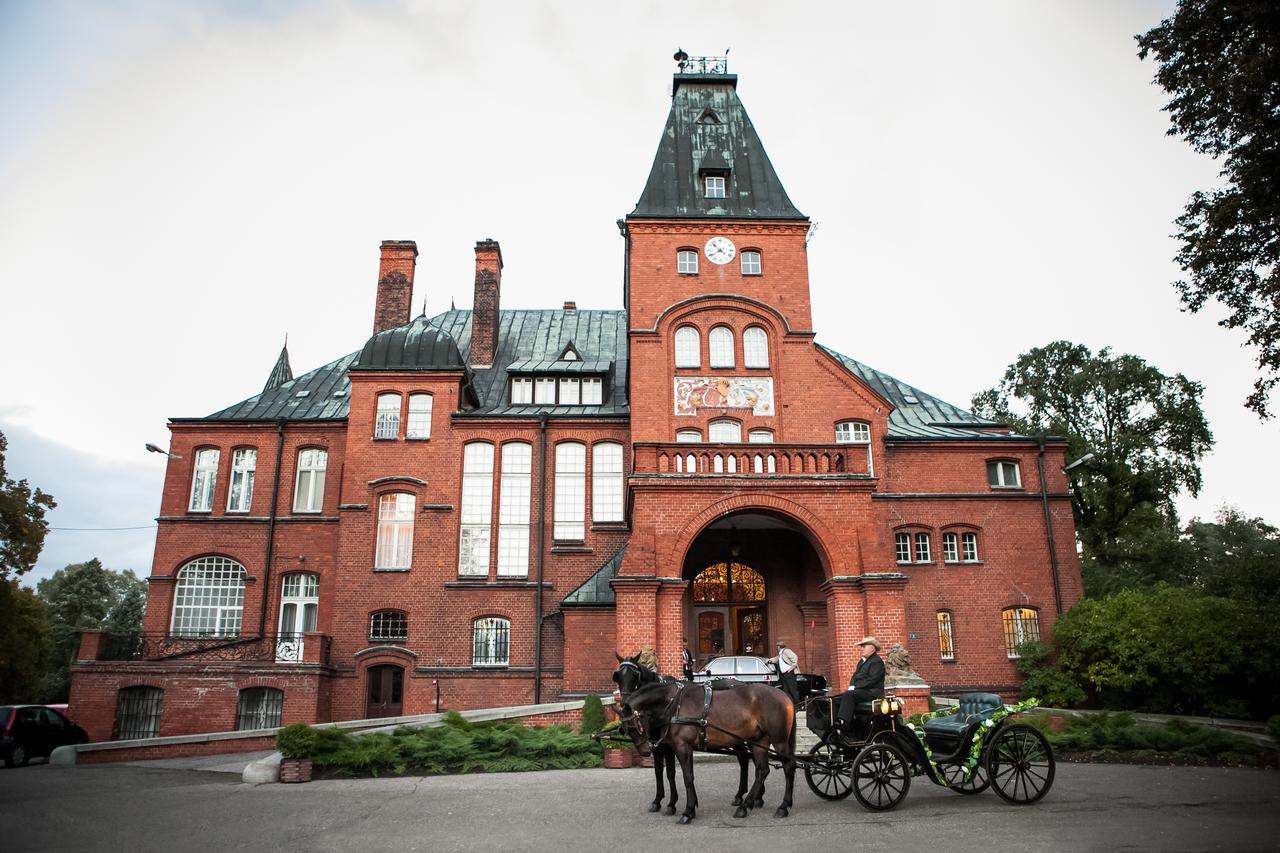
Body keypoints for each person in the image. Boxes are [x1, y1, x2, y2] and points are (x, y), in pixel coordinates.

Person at [834, 636, 884, 732]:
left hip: (871, 692)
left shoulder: (877, 661)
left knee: (849, 695)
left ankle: (844, 723)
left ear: (872, 649)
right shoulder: (861, 662)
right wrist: (852, 685)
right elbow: (855, 676)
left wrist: (856, 687)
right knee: (837, 698)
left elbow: (872, 680)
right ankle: (837, 722)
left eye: (864, 646)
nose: (861, 649)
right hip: (861, 691)